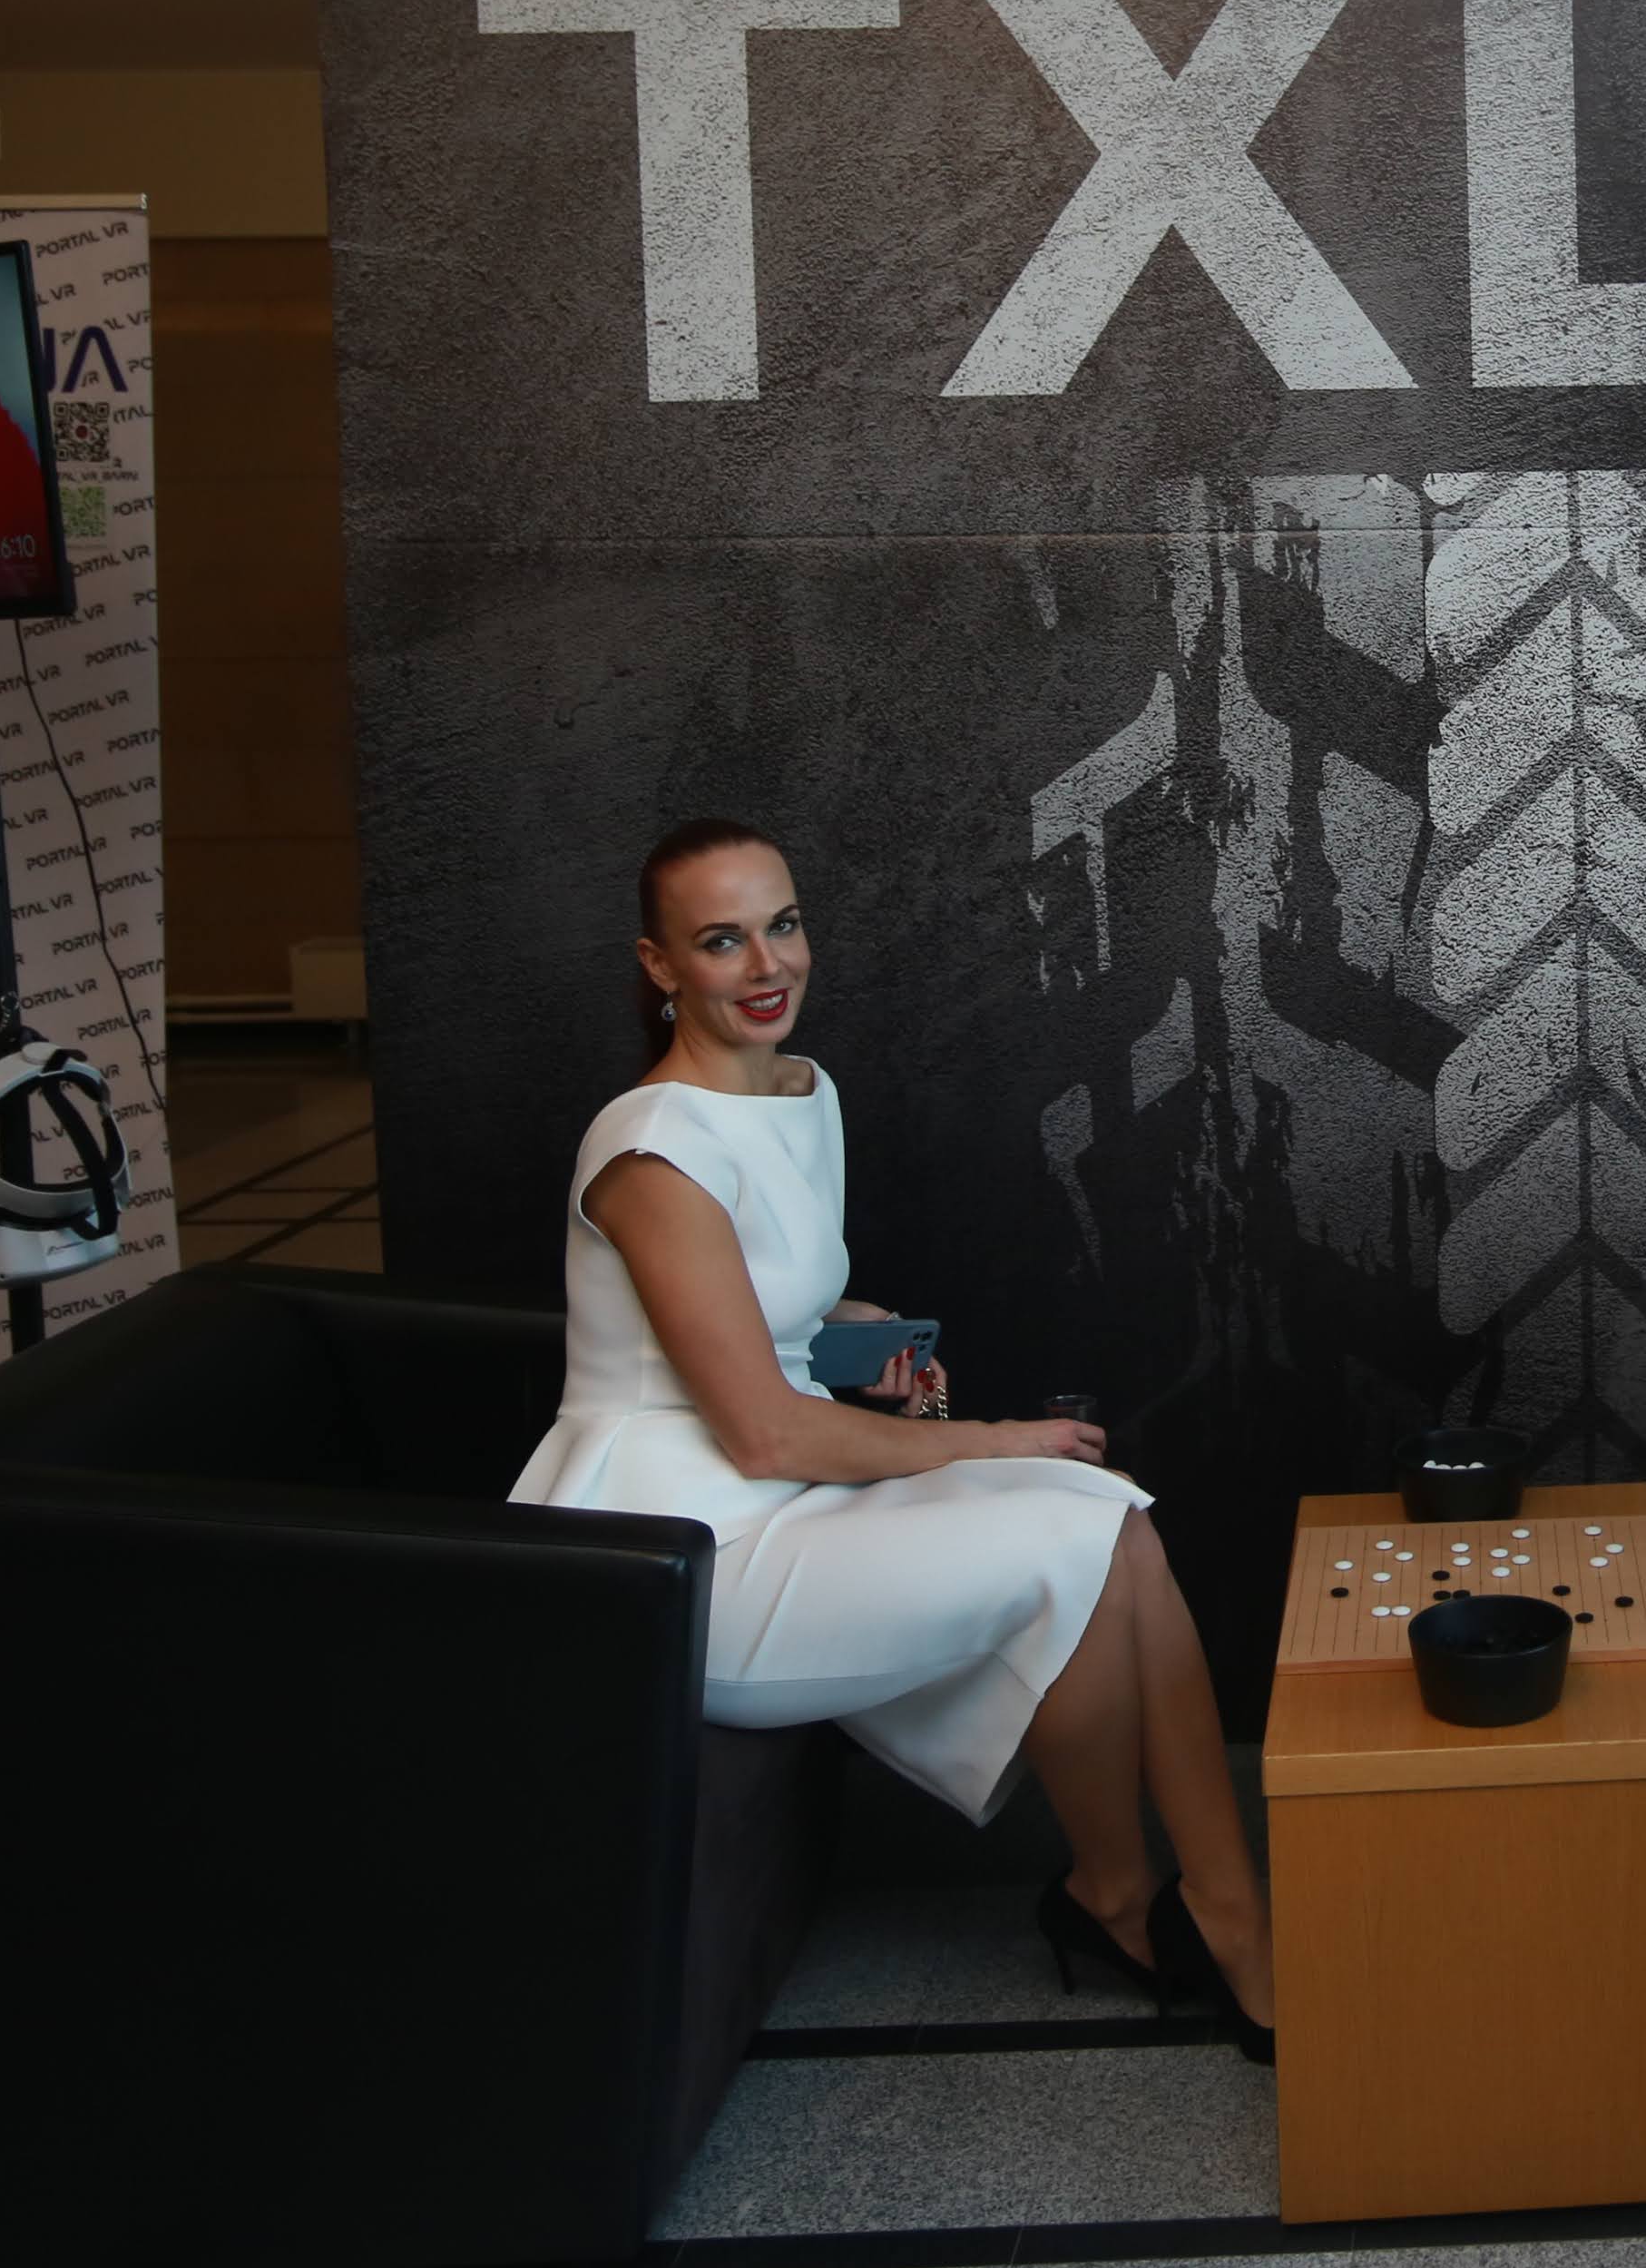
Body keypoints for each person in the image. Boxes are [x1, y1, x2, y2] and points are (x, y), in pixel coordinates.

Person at [513, 817, 1279, 2057]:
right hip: (673, 1553)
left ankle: (1191, 1905)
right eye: (721, 940)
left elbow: (766, 1311)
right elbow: (763, 1434)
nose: (767, 963)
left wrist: (854, 1336)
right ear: (660, 965)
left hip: (777, 1496)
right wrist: (985, 1440)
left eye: (783, 924)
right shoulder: (650, 1148)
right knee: (1071, 1526)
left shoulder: (798, 1088)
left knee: (1116, 1523)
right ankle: (1160, 1909)